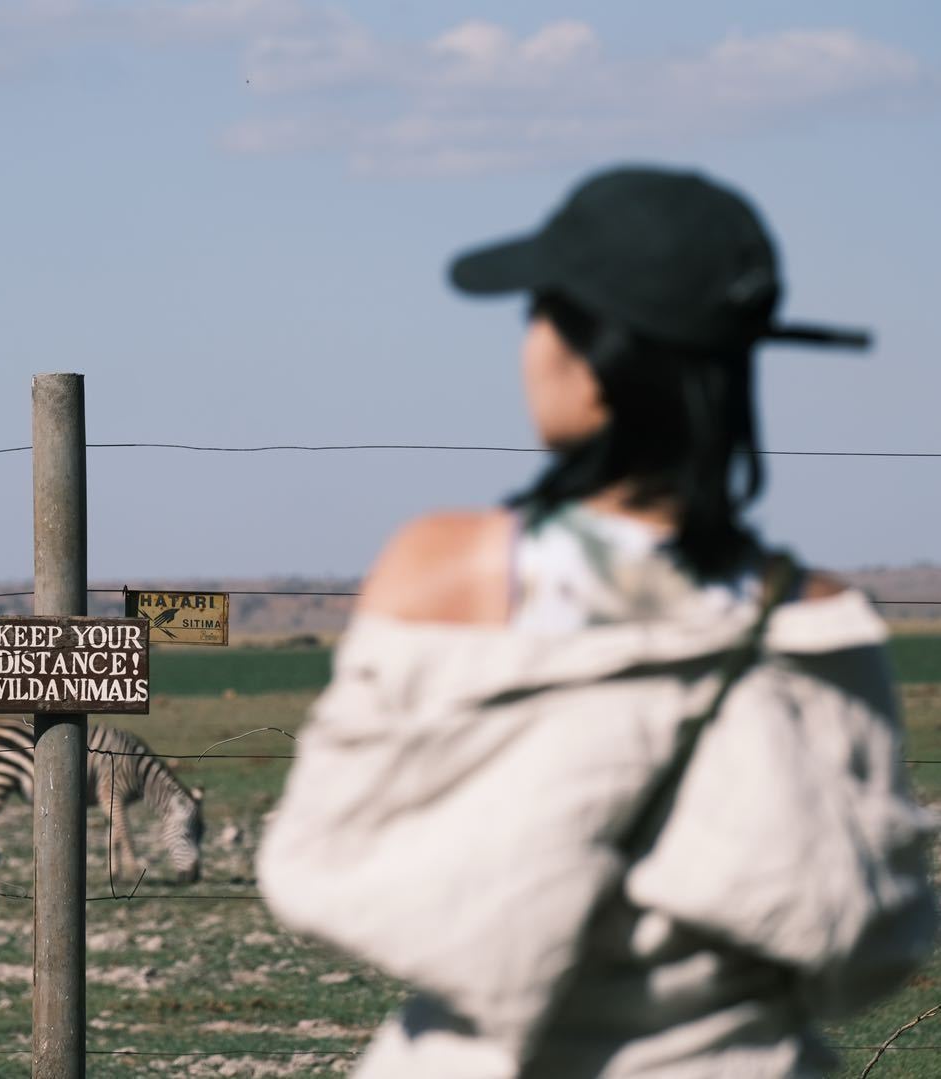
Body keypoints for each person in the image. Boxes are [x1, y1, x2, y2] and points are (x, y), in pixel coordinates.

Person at [257, 165, 938, 1077]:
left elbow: (312, 861)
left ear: (590, 358)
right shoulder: (819, 622)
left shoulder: (448, 575)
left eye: (540, 313)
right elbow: (873, 945)